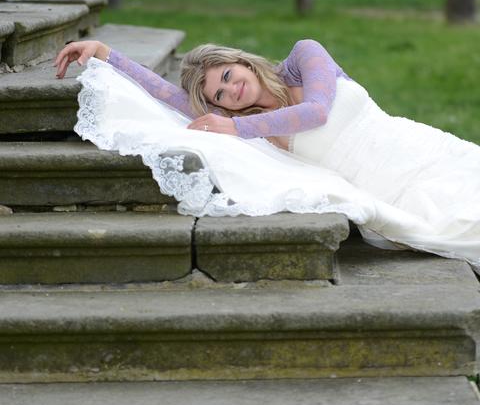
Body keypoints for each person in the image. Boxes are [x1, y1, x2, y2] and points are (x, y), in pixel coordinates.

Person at [54, 38, 480, 273]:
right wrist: (106, 54)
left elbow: (316, 112)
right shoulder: (248, 121)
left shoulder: (303, 57)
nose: (230, 89)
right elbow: (166, 94)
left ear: (242, 62)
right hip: (388, 190)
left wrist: (235, 127)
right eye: (220, 95)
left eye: (227, 75)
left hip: (422, 152)